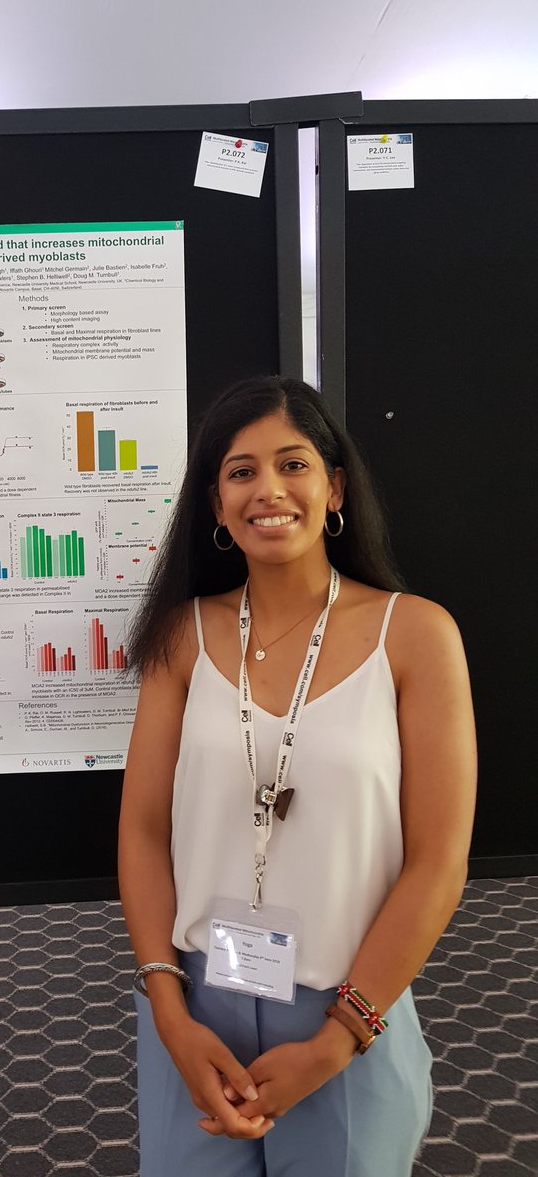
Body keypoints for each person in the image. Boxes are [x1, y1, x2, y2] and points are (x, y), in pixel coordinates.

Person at [118, 376, 476, 1177]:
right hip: (195, 1005)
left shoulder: (415, 635)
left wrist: (339, 1038)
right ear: (216, 504)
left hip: (347, 1006)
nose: (269, 490)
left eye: (293, 464)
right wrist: (168, 1012)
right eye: (241, 471)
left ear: (335, 487)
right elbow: (142, 831)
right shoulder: (182, 636)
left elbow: (438, 861)